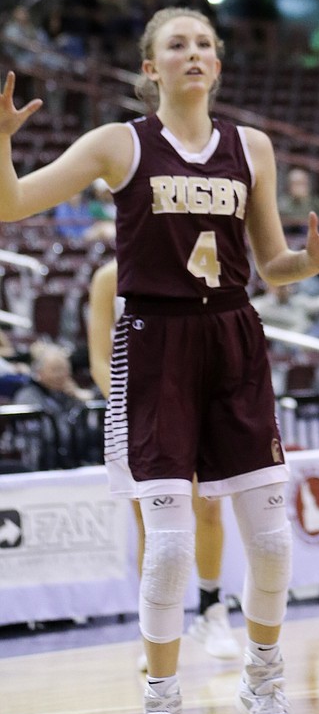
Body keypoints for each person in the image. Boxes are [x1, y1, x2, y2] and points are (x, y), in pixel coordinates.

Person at [0, 7, 319, 714]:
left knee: (271, 544)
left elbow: (271, 265)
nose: (194, 52)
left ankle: (265, 687)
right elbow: (11, 204)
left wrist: (318, 259)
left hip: (234, 339)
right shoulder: (118, 143)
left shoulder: (253, 148)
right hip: (155, 344)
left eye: (205, 43)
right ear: (150, 66)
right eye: (178, 44)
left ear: (219, 64)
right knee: (168, 551)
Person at [88, 259, 241, 666]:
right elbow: (99, 360)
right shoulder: (107, 278)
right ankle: (154, 629)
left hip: (194, 403)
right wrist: (129, 407)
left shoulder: (187, 262)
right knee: (150, 526)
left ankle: (211, 611)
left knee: (208, 506)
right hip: (135, 414)